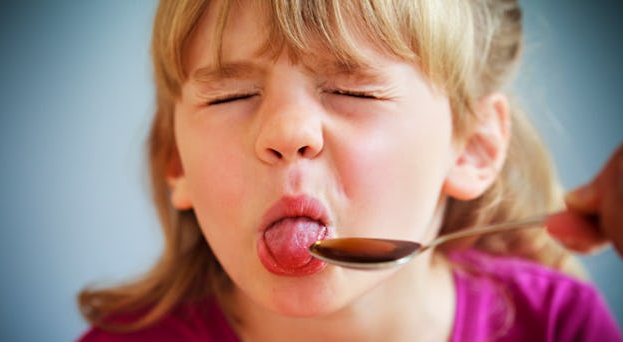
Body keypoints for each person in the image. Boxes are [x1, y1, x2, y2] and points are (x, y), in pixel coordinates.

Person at [78, 0, 623, 341]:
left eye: (351, 90)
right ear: (177, 162)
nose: (286, 133)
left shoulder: (556, 325)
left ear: (472, 148)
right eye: (231, 96)